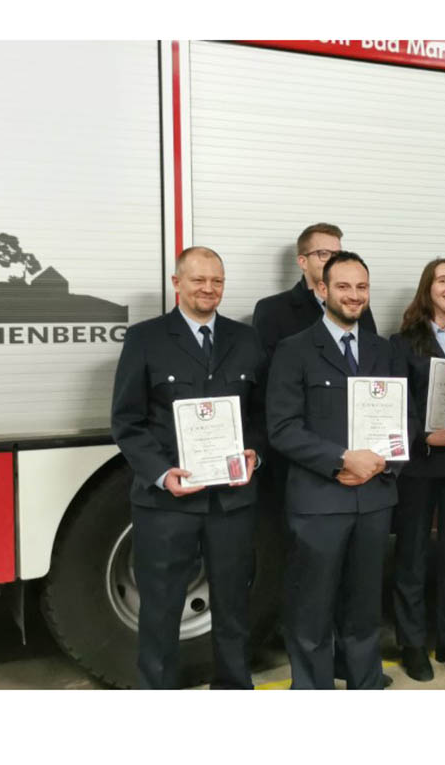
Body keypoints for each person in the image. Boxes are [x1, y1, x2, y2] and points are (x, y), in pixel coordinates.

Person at [110, 246, 264, 689]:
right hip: (166, 502)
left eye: (217, 280)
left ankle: (234, 687)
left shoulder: (246, 339)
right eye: (198, 280)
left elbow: (262, 415)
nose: (208, 289)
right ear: (177, 283)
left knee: (233, 605)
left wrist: (255, 451)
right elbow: (126, 421)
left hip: (232, 500)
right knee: (160, 608)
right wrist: (161, 473)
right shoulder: (145, 339)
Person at [266, 251, 411, 689]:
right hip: (318, 500)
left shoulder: (384, 351)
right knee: (311, 605)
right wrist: (341, 460)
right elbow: (282, 428)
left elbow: (405, 420)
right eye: (344, 286)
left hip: (374, 497)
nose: (354, 295)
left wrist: (386, 461)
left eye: (361, 287)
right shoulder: (294, 351)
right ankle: (312, 690)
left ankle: (365, 681)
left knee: (365, 603)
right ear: (322, 289)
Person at [389, 258, 445, 681]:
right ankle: (412, 644)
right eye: (442, 280)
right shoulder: (402, 342)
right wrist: (424, 436)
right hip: (420, 464)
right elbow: (395, 404)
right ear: (427, 289)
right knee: (411, 555)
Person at [252, 222, 378, 358]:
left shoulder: (355, 303)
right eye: (323, 254)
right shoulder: (272, 309)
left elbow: (374, 355)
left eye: (337, 254)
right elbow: (264, 369)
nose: (333, 261)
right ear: (303, 262)